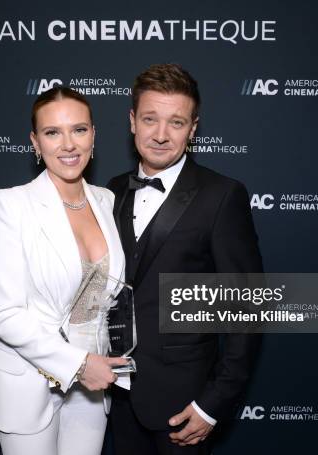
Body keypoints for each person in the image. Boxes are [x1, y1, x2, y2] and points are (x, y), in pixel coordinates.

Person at [107, 63, 264, 454]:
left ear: (193, 128)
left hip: (185, 404)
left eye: (176, 123)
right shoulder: (110, 191)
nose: (160, 135)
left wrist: (213, 405)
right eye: (149, 119)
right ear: (132, 121)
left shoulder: (222, 195)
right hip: (117, 396)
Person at [0, 86, 127, 455]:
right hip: (30, 383)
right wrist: (77, 364)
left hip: (91, 388)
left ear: (94, 135)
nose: (68, 144)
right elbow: (5, 314)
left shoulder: (106, 201)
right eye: (52, 132)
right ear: (35, 142)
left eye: (79, 129)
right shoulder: (11, 204)